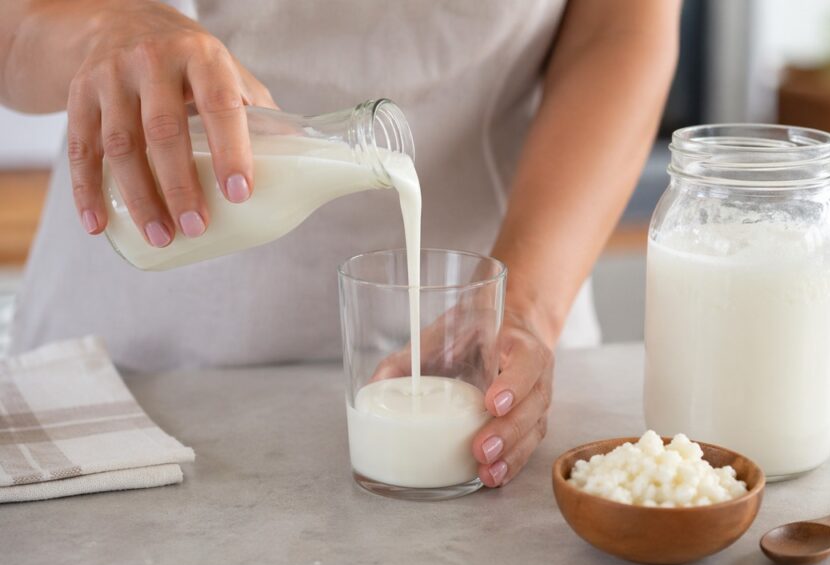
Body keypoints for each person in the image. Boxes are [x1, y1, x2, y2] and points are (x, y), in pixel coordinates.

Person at [0, 0, 680, 487]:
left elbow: (619, 28)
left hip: (500, 310)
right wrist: (104, 28)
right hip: (132, 353)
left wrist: (524, 305)